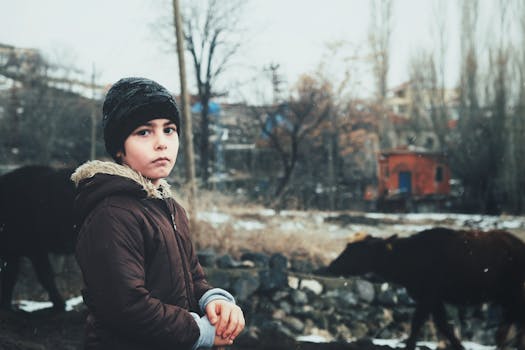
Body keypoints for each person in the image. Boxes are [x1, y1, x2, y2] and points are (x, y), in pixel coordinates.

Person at [71, 77, 244, 350]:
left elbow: (192, 278)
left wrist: (214, 301)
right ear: (119, 147)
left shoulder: (169, 207)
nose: (161, 143)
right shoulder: (112, 213)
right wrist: (199, 332)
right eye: (144, 132)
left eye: (169, 129)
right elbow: (126, 307)